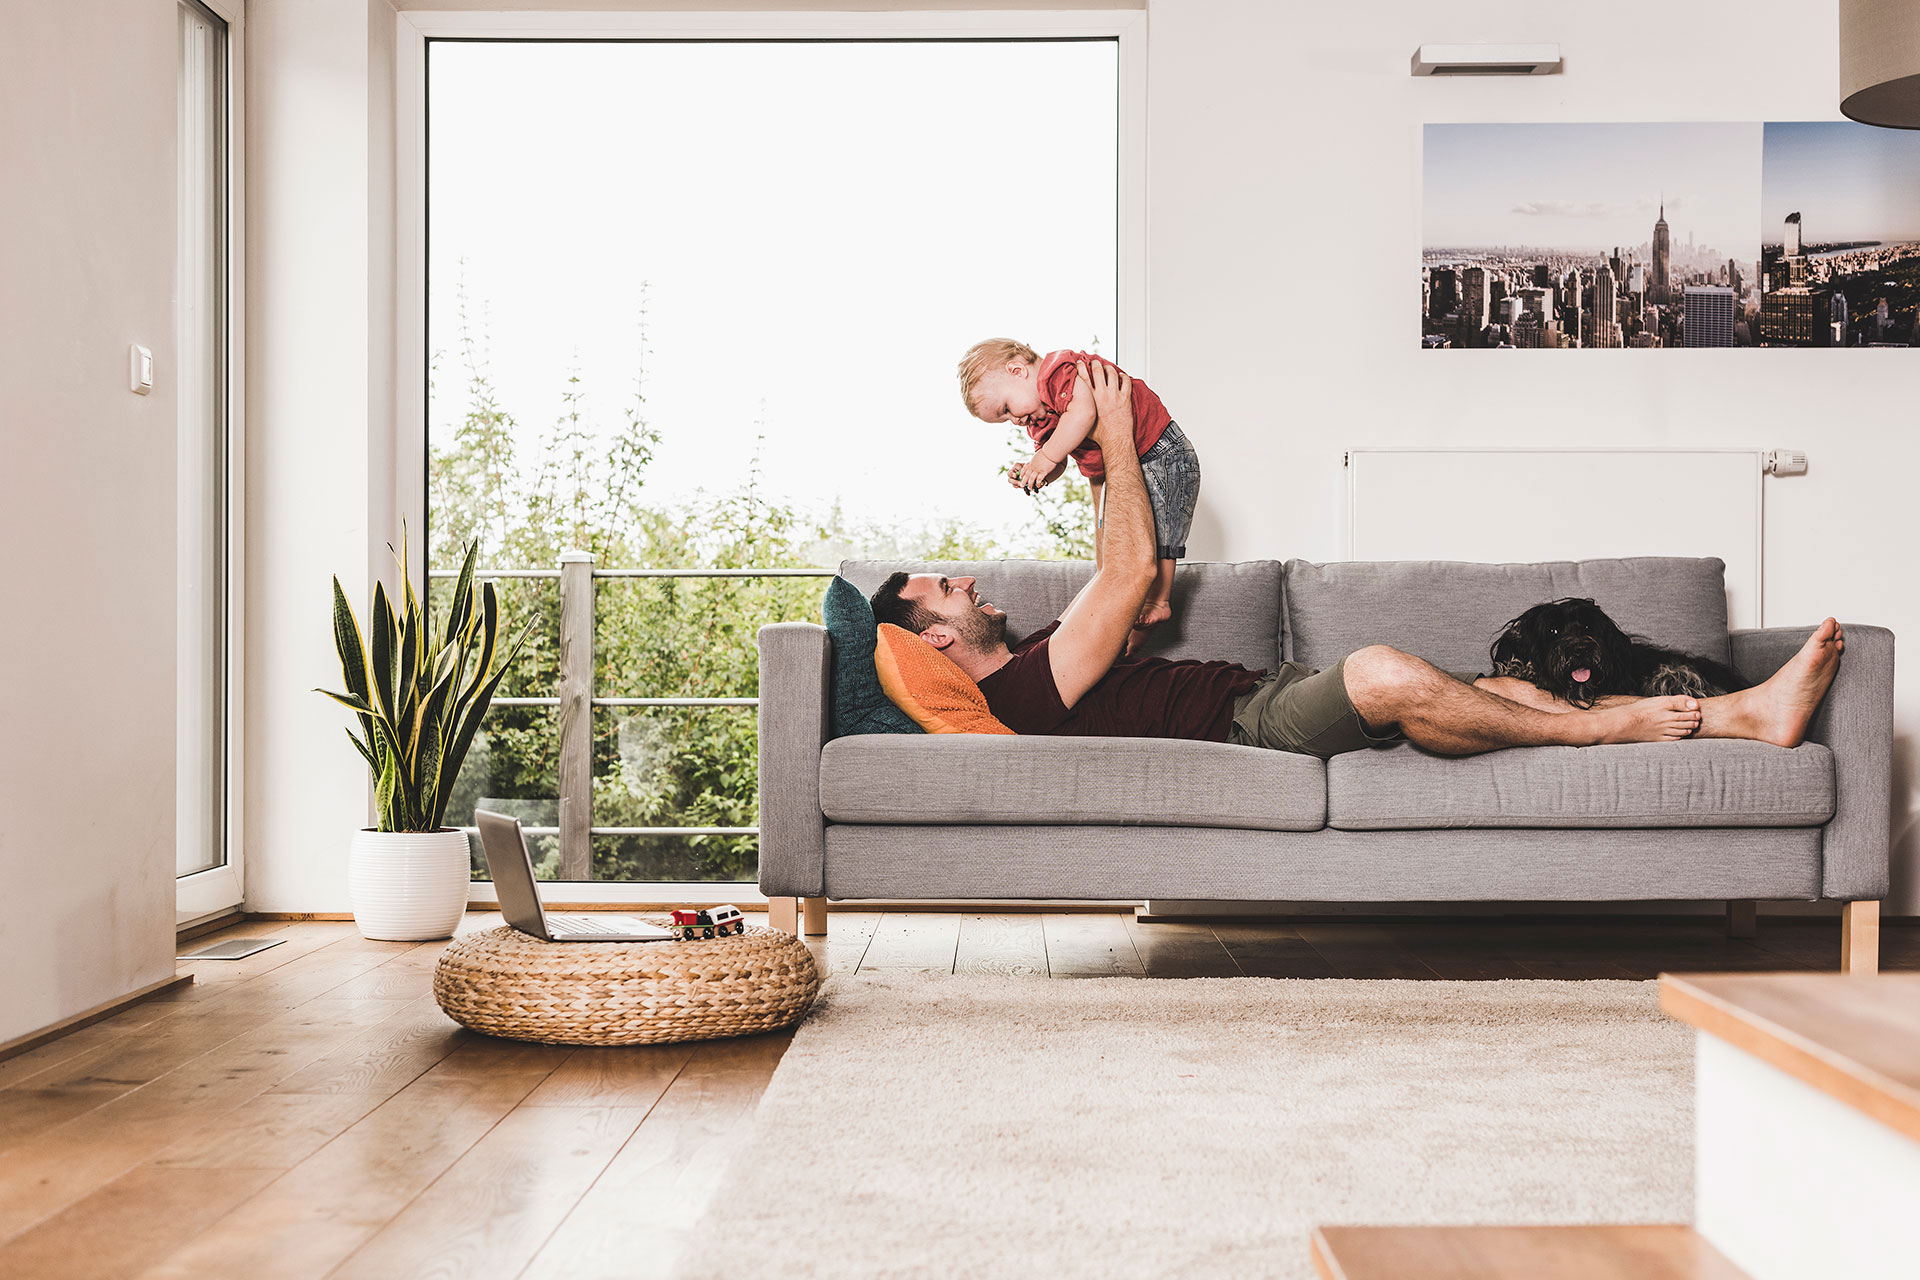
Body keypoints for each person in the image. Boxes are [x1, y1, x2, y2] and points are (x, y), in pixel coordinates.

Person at [874, 360, 1845, 757]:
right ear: (940, 639)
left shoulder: (1048, 647)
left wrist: (1094, 473)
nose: (963, 580)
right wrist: (1117, 433)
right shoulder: (1026, 694)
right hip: (1252, 723)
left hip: (1273, 683)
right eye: (942, 590)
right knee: (1384, 667)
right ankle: (1600, 735)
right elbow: (1124, 574)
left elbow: (1123, 575)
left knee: (1502, 691)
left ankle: (1745, 712)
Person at [957, 338, 1199, 651]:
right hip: (1125, 469)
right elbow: (1058, 459)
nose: (1014, 421)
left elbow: (1083, 413)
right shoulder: (1040, 420)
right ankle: (1127, 624)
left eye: (1006, 409)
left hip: (1159, 449)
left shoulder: (1057, 372)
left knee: (1165, 530)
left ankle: (1159, 599)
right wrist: (1041, 471)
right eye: (1004, 420)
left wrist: (1043, 458)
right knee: (1117, 549)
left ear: (1017, 370)